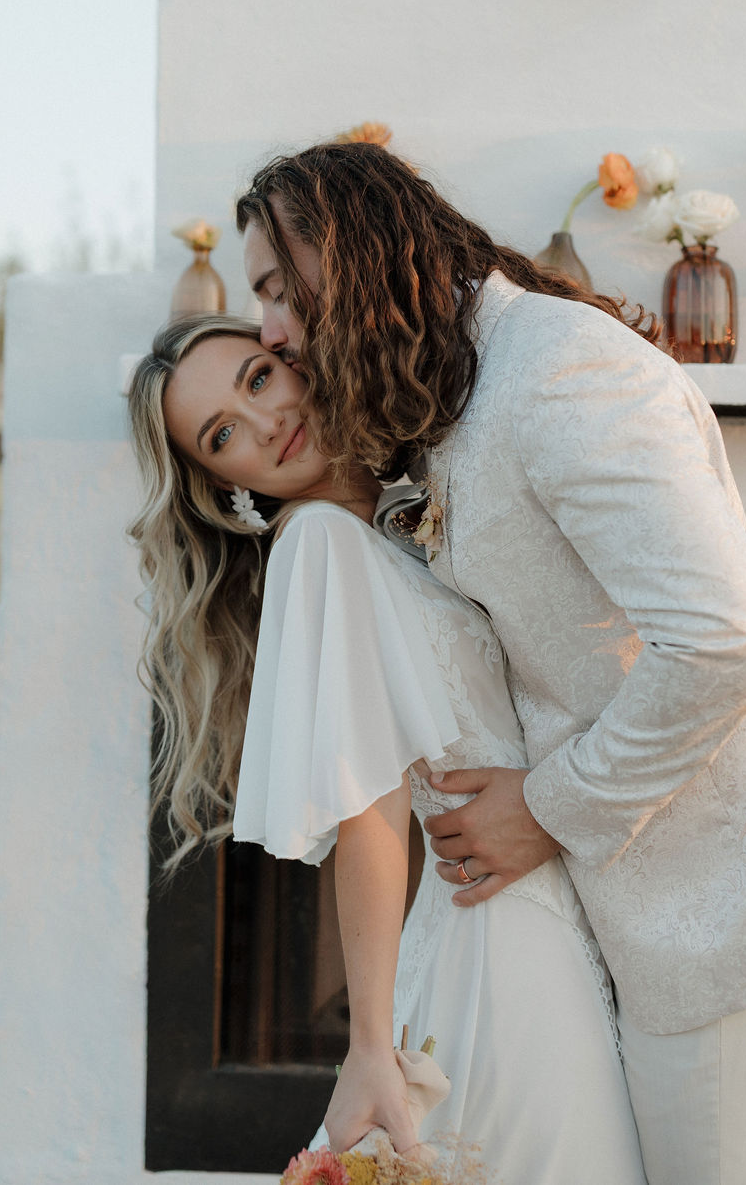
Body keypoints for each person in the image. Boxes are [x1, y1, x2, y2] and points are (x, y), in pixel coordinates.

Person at [234, 140, 746, 1185]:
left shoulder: (559, 370)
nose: (272, 327)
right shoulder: (449, 391)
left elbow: (722, 638)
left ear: (359, 252)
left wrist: (546, 808)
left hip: (722, 894)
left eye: (282, 290)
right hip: (616, 904)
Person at [126, 312, 649, 1183]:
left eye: (259, 379)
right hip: (500, 942)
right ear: (224, 486)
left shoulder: (391, 529)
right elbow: (370, 805)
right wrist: (368, 1045)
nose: (265, 423)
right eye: (223, 435)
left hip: (535, 918)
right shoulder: (321, 546)